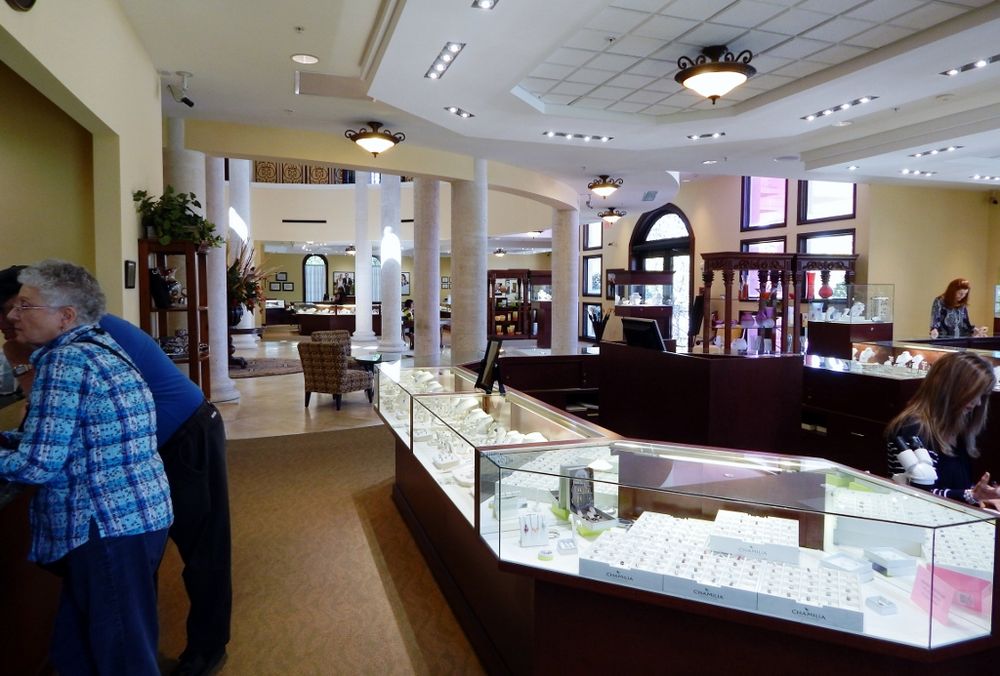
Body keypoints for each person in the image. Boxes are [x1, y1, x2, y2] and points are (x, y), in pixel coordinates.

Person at [0, 264, 232, 676]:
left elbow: (42, 453)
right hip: (136, 483)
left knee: (201, 550)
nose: (11, 321)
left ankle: (207, 649)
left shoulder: (73, 350)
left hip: (185, 432)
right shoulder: (76, 339)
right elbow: (57, 423)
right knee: (105, 617)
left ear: (64, 312)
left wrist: (22, 368)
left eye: (20, 307)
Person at [886, 351, 1000, 509]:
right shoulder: (913, 428)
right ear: (949, 387)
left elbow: (954, 487)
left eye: (981, 395)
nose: (978, 402)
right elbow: (916, 493)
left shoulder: (959, 429)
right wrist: (970, 495)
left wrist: (980, 494)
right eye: (974, 393)